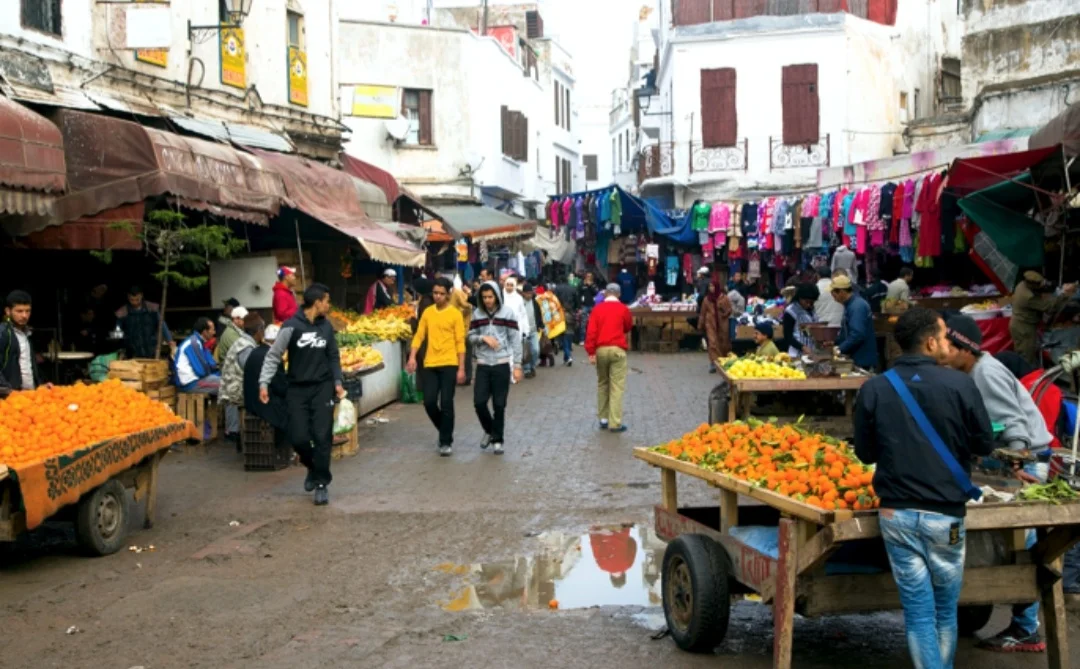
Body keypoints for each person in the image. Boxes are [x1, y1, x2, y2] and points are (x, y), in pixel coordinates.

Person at [854, 307, 995, 669]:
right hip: (945, 518)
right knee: (944, 612)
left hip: (896, 516)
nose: (949, 342)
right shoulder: (962, 384)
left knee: (918, 613)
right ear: (930, 342)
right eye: (946, 335)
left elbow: (865, 452)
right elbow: (984, 445)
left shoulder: (873, 387)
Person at [943, 315, 1049, 653]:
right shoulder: (970, 371)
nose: (941, 353)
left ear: (964, 349)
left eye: (947, 346)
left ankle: (1026, 627)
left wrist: (1016, 468)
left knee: (1021, 538)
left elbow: (1015, 425)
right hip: (1008, 464)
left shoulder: (985, 374)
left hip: (1027, 464)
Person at [259, 283, 345, 506]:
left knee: (322, 435)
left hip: (322, 388)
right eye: (326, 301)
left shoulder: (326, 327)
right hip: (296, 389)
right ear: (317, 303)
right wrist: (264, 383)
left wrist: (337, 381)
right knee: (297, 437)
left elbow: (333, 356)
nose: (328, 305)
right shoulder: (291, 326)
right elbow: (273, 355)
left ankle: (321, 484)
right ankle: (312, 466)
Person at [407, 277, 466, 457]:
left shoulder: (455, 314)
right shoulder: (428, 313)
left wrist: (462, 368)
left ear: (448, 294)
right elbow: (419, 336)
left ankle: (445, 441)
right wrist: (412, 357)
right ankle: (445, 429)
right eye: (435, 293)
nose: (438, 296)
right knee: (429, 402)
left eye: (441, 293)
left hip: (449, 364)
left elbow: (460, 342)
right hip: (430, 364)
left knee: (446, 402)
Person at [468, 281, 524, 455]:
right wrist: (482, 338)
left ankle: (498, 440)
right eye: (484, 297)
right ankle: (490, 430)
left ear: (497, 296)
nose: (487, 300)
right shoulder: (477, 314)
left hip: (501, 363)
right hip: (483, 364)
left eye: (490, 297)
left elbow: (515, 339)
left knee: (499, 405)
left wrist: (517, 365)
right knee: (479, 402)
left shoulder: (508, 313)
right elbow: (470, 336)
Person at [585, 284, 633, 433]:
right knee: (616, 386)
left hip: (600, 350)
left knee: (603, 383)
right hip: (617, 349)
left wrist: (591, 352)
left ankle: (603, 419)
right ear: (618, 294)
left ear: (605, 294)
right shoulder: (623, 309)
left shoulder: (597, 309)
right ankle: (615, 422)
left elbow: (591, 332)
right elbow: (628, 326)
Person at [1010, 271, 1078, 366]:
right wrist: (1063, 294)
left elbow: (1042, 288)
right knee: (1026, 357)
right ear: (1031, 284)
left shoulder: (1022, 284)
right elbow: (1049, 307)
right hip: (1023, 328)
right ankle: (1027, 377)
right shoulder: (1028, 297)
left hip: (1022, 324)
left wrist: (1054, 287)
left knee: (1027, 353)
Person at [219, 311, 259, 451]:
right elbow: (251, 371)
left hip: (234, 386)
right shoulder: (246, 347)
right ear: (258, 331)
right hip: (236, 391)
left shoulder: (245, 341)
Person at [242, 320, 288, 437]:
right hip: (265, 404)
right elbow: (281, 387)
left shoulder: (255, 352)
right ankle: (283, 448)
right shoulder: (273, 356)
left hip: (250, 402)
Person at [213, 305, 248, 442]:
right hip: (230, 373)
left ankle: (233, 429)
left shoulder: (236, 331)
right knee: (232, 399)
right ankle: (231, 431)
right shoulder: (230, 334)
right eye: (244, 319)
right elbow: (241, 351)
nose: (245, 322)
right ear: (237, 319)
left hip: (234, 369)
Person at [0, 290, 45, 398]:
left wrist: (40, 385)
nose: (24, 315)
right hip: (11, 399)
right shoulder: (3, 333)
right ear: (8, 311)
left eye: (27, 311)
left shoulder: (27, 333)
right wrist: (7, 390)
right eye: (19, 311)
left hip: (29, 396)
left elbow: (29, 365)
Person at [831, 275, 878, 370]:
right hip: (856, 356)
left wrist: (839, 349)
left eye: (834, 294)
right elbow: (847, 331)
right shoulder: (850, 304)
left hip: (861, 359)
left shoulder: (857, 306)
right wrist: (835, 343)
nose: (833, 297)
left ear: (842, 292)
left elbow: (857, 334)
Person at [115, 285, 176, 359]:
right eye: (132, 300)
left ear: (141, 296)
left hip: (151, 348)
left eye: (137, 299)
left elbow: (162, 325)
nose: (135, 302)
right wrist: (118, 344)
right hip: (132, 351)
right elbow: (117, 331)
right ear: (128, 297)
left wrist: (169, 340)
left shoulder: (152, 308)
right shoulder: (123, 312)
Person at [174, 317, 220, 394]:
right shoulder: (194, 343)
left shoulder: (200, 342)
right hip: (191, 384)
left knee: (227, 382)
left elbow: (212, 364)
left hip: (197, 380)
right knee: (228, 386)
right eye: (212, 330)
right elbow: (201, 371)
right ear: (205, 332)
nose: (214, 333)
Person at [698, 276, 733, 373]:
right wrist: (700, 325)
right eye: (710, 286)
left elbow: (729, 310)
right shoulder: (706, 299)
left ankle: (723, 361)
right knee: (712, 343)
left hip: (722, 323)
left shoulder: (724, 298)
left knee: (723, 343)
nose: (711, 288)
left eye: (713, 286)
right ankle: (713, 363)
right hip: (710, 323)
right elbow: (702, 313)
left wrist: (723, 312)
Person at [783, 284, 819, 357]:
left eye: (811, 302)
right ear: (799, 298)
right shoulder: (791, 311)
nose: (809, 305)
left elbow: (807, 330)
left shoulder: (811, 310)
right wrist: (802, 347)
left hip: (811, 351)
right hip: (796, 353)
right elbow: (788, 336)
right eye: (806, 302)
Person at [450, 282, 474, 385]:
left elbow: (468, 305)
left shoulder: (456, 293)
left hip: (463, 330)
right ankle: (464, 377)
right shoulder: (455, 294)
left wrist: (460, 313)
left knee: (464, 354)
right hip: (460, 330)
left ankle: (465, 377)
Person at [552, 280, 578, 365]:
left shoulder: (557, 289)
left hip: (559, 314)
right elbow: (577, 301)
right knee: (568, 336)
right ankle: (566, 357)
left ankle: (568, 356)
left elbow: (554, 301)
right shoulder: (573, 289)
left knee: (563, 337)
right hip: (571, 313)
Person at [520, 283, 543, 378]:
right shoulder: (519, 303)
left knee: (536, 350)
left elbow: (539, 315)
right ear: (523, 293)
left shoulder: (535, 303)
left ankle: (532, 365)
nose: (529, 295)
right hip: (523, 332)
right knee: (525, 351)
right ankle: (527, 370)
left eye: (531, 293)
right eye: (527, 293)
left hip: (533, 330)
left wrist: (541, 325)